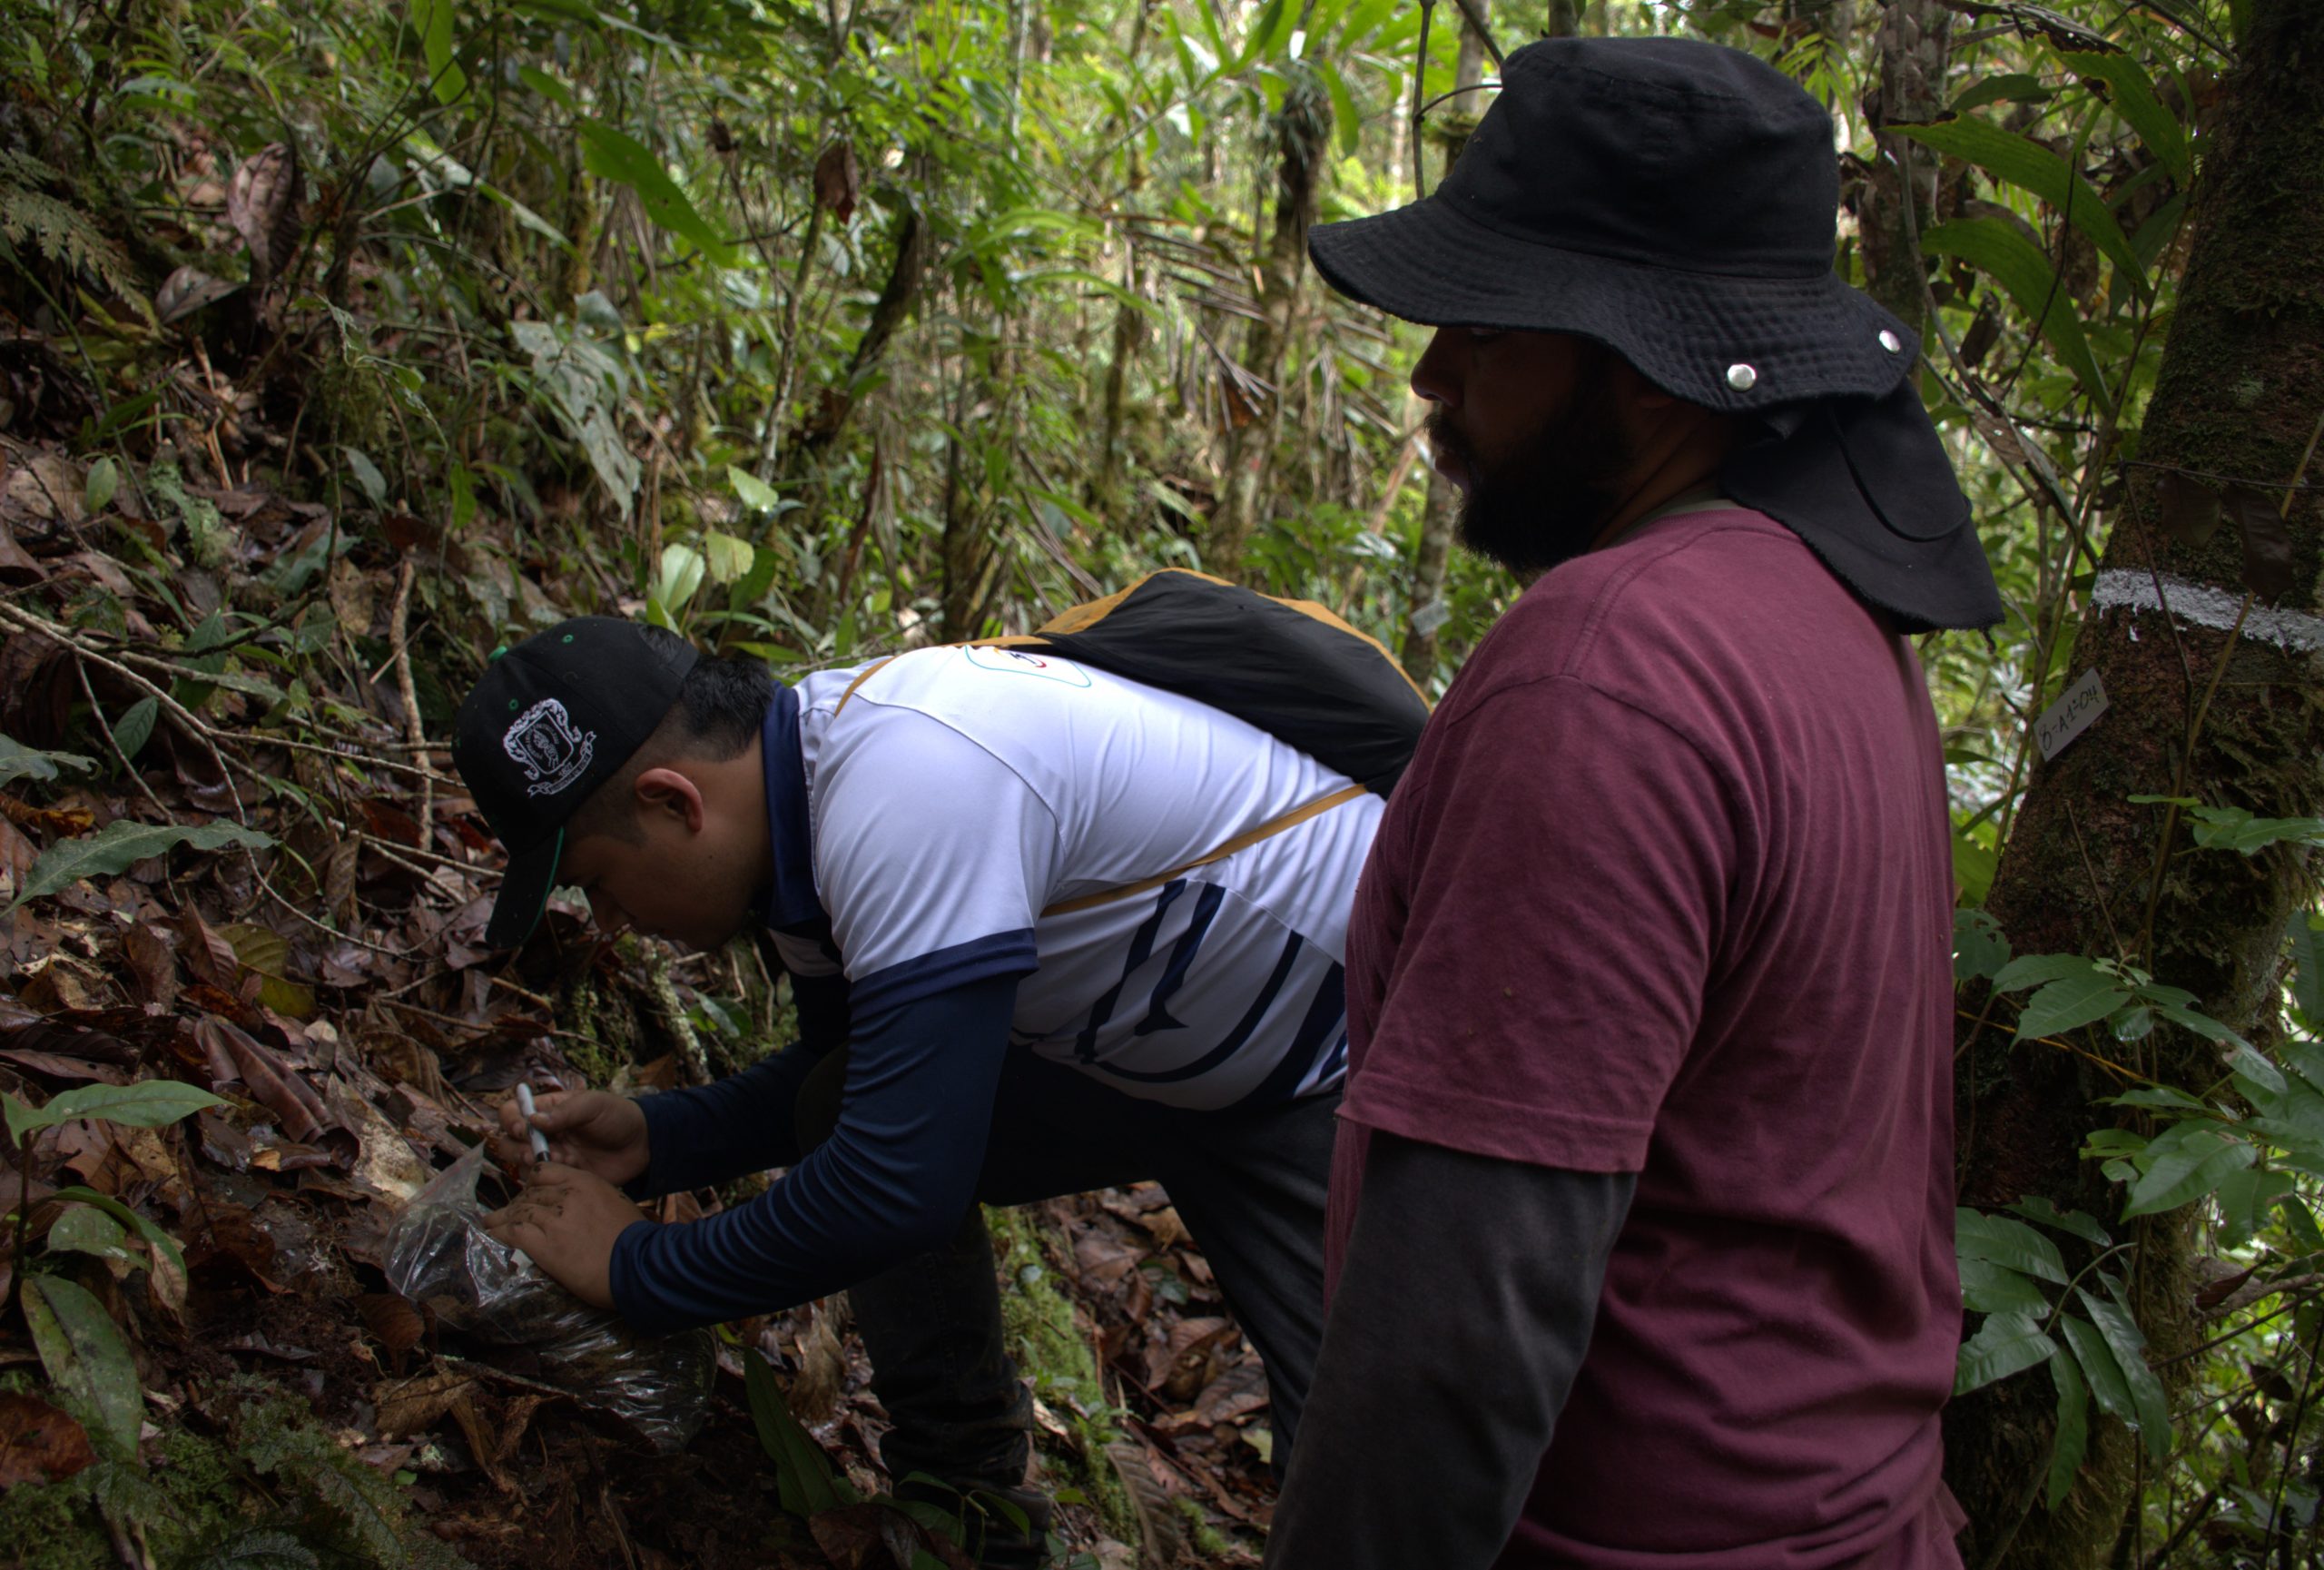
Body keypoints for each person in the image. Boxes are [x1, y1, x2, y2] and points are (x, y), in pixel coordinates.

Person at [1264, 36, 2004, 1570]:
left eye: (1488, 321)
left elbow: (1456, 1336)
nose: (1431, 372)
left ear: (1648, 360)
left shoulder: (1610, 670)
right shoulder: (1826, 623)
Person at [446, 611, 1393, 1565]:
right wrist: (659, 1139)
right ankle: (968, 1511)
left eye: (601, 884)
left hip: (1348, 1056)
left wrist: (635, 1268)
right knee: (841, 1099)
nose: (609, 923)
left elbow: (896, 1182)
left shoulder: (908, 781)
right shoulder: (796, 816)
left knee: (1372, 1453)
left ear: (673, 804)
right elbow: (855, 1079)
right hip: (1151, 1051)